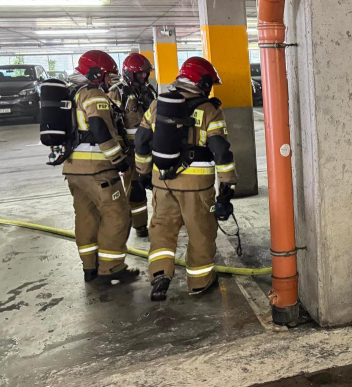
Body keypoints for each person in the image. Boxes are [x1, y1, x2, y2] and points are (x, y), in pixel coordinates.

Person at [134, 57, 237, 301]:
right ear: (201, 82)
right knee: (200, 232)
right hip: (196, 187)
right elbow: (221, 150)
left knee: (162, 229)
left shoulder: (158, 105)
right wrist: (227, 184)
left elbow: (141, 141)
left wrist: (144, 172)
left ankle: (159, 273)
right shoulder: (210, 110)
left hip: (162, 181)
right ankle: (199, 282)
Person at [63, 50, 139, 284]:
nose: (110, 81)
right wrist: (119, 160)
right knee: (117, 215)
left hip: (73, 170)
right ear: (96, 74)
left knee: (86, 217)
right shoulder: (94, 94)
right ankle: (112, 267)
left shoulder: (73, 93)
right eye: (108, 76)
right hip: (98, 170)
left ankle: (90, 267)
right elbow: (99, 128)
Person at [110, 53, 157, 238]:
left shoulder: (149, 91)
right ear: (129, 73)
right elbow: (111, 123)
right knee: (135, 189)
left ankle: (164, 220)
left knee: (158, 184)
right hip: (130, 151)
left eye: (145, 73)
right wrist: (120, 152)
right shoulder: (118, 92)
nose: (144, 77)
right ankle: (139, 225)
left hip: (151, 147)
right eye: (139, 74)